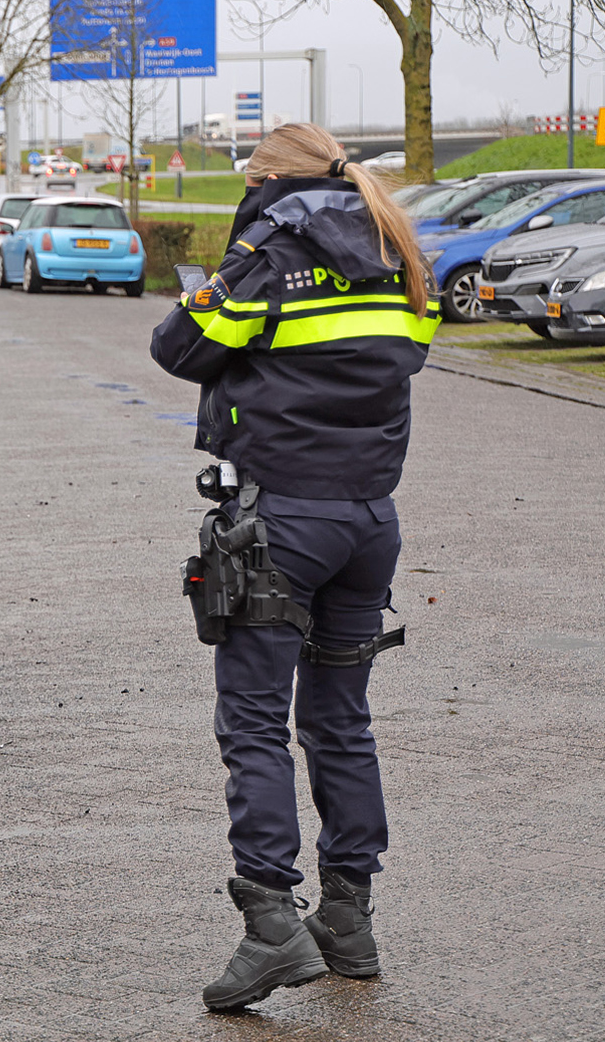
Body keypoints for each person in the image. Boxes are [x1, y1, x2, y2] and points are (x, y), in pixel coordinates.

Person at [149, 123, 439, 1012]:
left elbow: (178, 347)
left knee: (253, 725)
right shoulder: (402, 256)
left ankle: (271, 925)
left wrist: (217, 289)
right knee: (341, 723)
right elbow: (408, 356)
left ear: (271, 175)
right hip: (369, 522)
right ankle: (348, 919)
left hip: (279, 523)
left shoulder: (270, 251)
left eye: (249, 173)